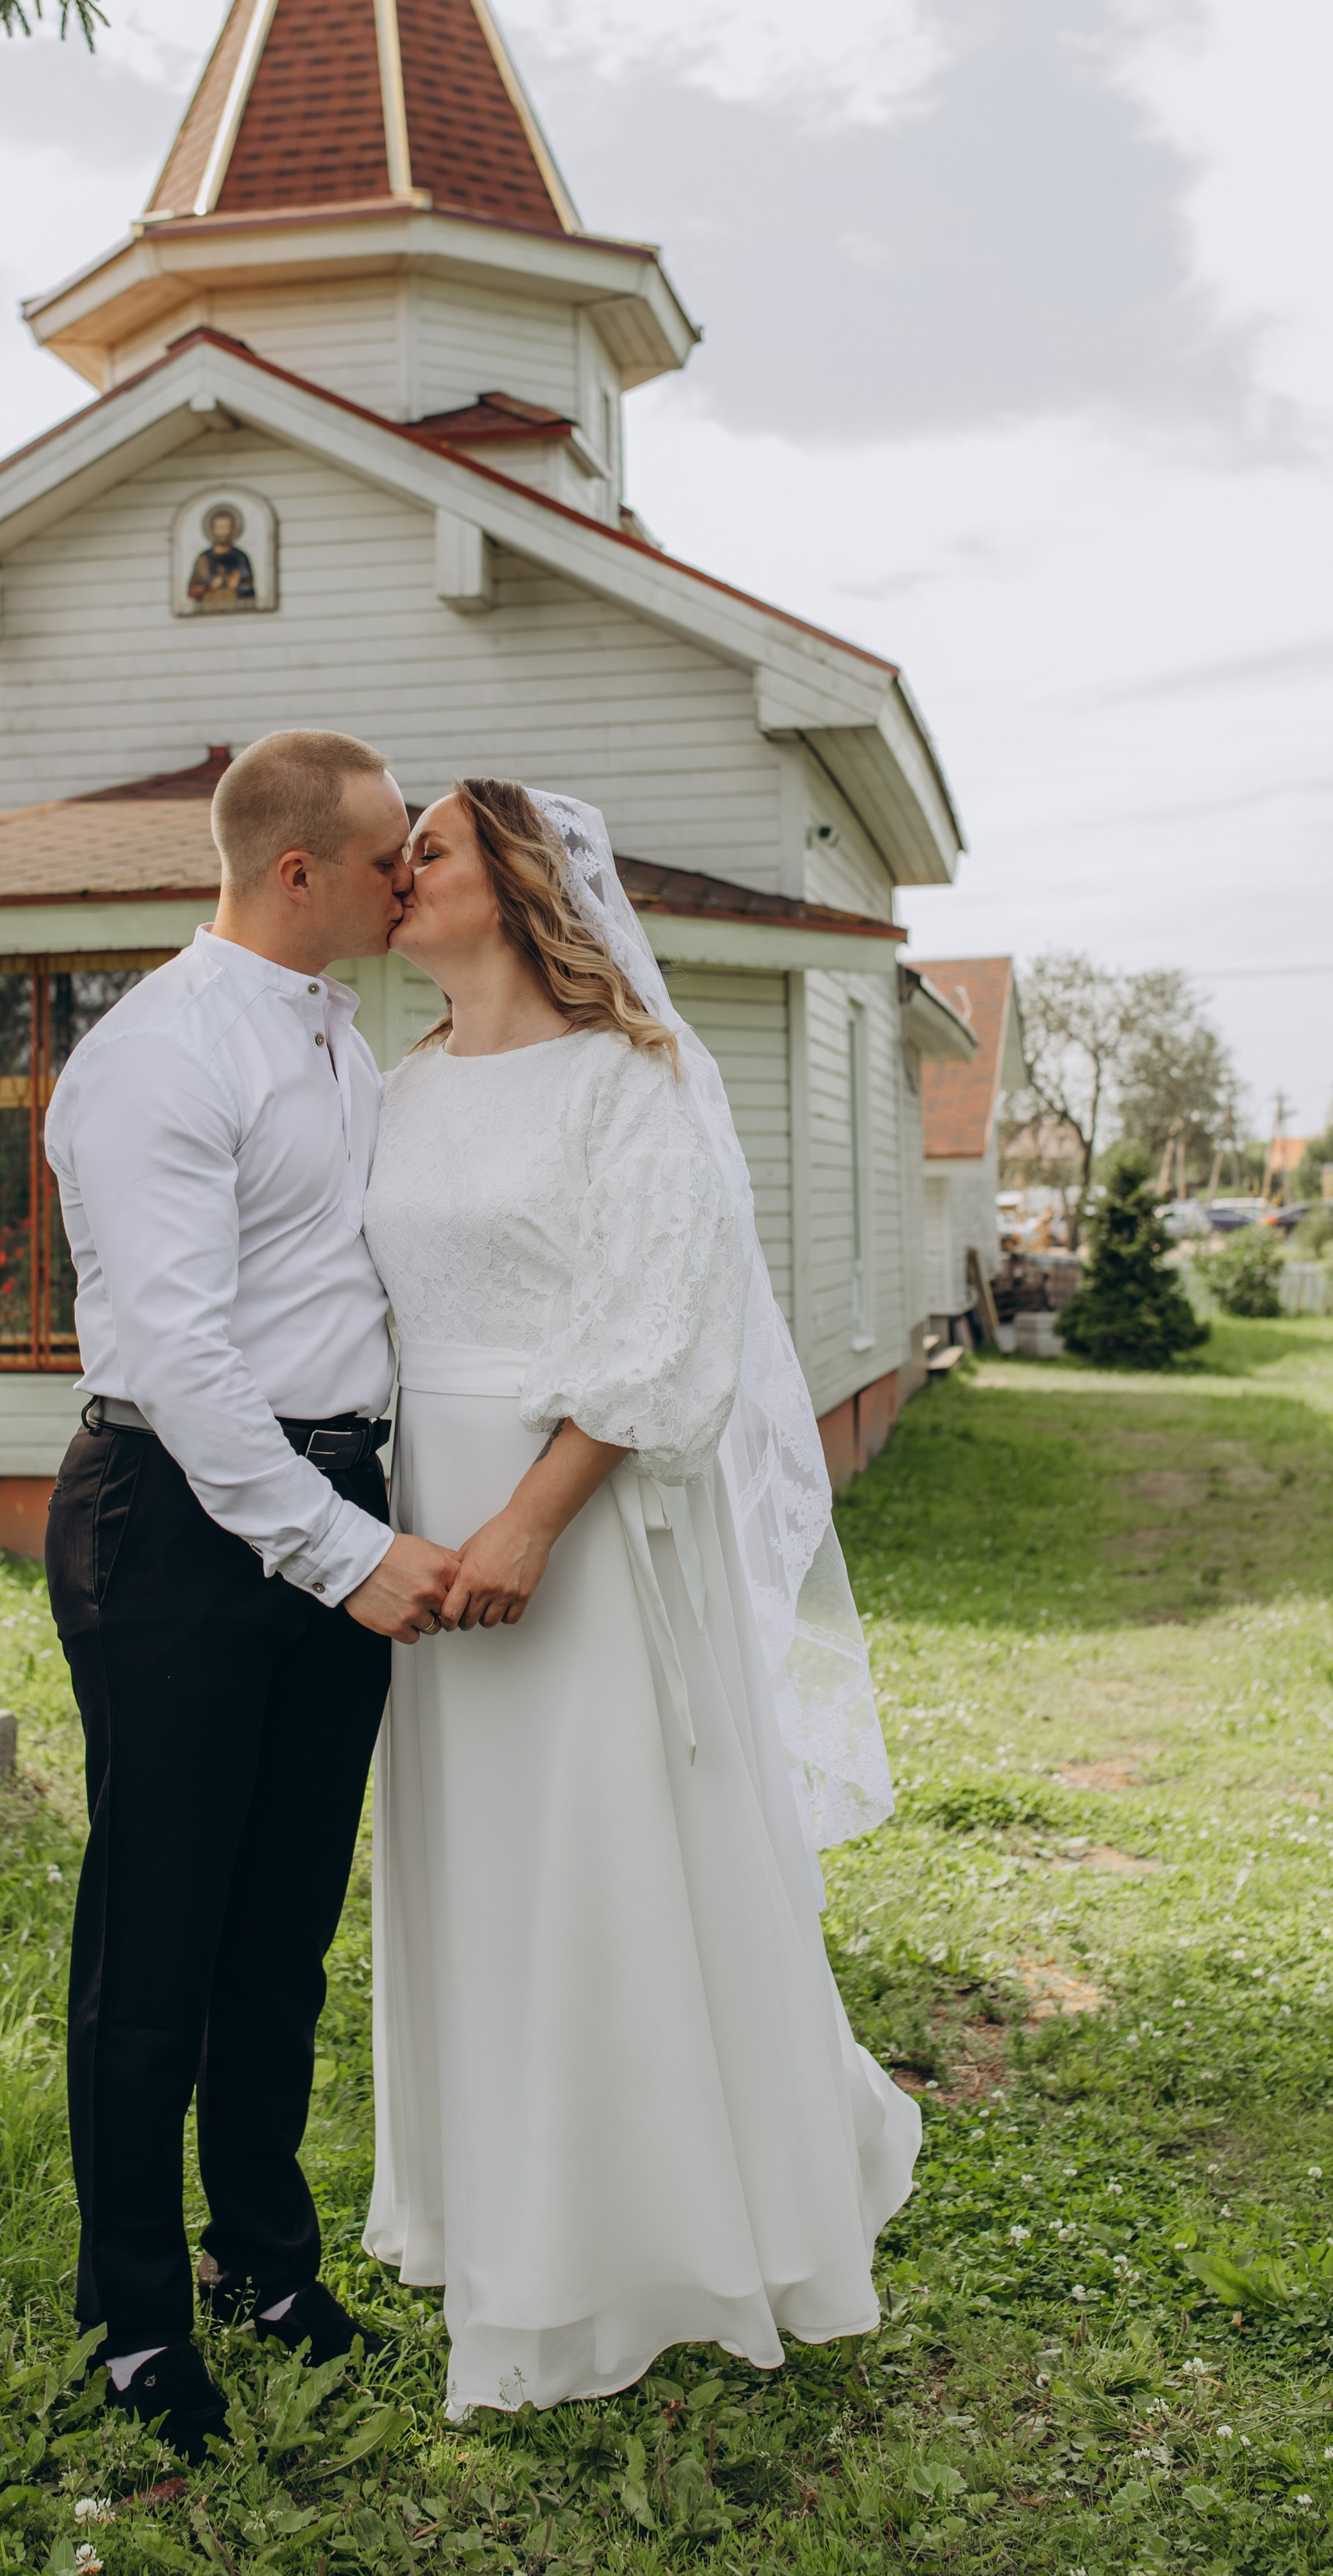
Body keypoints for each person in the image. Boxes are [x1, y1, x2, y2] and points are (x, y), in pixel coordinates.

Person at [361, 780, 920, 2419]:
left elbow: (662, 1328)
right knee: (476, 1870)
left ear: (520, 883)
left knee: (598, 1860)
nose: (401, 869)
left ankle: (639, 2240)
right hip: (420, 1521)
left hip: (577, 1523)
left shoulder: (630, 1082)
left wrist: (531, 1523)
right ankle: (492, 2216)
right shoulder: (395, 1090)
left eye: (434, 848)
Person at [44, 728, 459, 2464]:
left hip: (328, 1505)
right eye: (387, 860)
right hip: (184, 1522)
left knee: (281, 1925)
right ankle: (133, 2316)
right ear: (298, 871)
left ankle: (262, 2262)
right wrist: (348, 1554)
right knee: (161, 1932)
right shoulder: (157, 1057)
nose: (408, 883)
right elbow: (182, 1359)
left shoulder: (346, 1046)